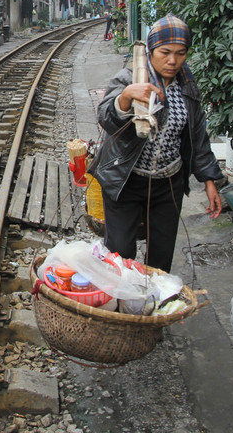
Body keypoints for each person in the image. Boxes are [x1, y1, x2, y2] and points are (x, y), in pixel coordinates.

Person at [89, 14, 222, 272]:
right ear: (151, 51)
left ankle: (153, 306)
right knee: (120, 254)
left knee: (161, 257)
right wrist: (126, 97)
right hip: (125, 179)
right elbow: (105, 117)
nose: (173, 61)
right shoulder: (130, 77)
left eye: (181, 53)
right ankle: (119, 308)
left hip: (168, 182)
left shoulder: (188, 84)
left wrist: (208, 180)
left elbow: (197, 135)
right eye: (165, 52)